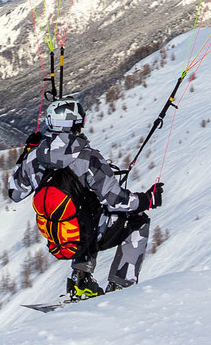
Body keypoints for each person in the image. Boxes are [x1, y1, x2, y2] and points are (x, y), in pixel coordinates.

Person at [9, 94, 163, 299]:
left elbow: (15, 193)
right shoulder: (88, 157)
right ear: (75, 123)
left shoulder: (35, 156)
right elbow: (117, 201)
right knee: (138, 221)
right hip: (84, 235)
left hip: (57, 237)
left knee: (86, 207)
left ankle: (81, 280)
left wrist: (27, 152)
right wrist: (147, 199)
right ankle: (121, 287)